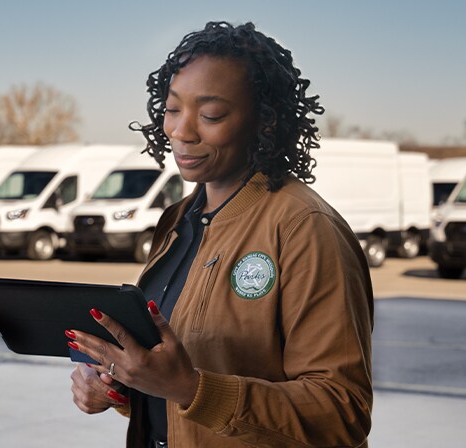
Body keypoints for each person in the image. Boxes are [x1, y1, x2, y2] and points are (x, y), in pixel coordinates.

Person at [66, 21, 374, 447]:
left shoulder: (304, 227)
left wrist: (191, 388)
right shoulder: (177, 221)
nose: (181, 131)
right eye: (172, 109)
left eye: (210, 115)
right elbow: (175, 383)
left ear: (265, 122)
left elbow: (342, 411)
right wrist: (120, 385)